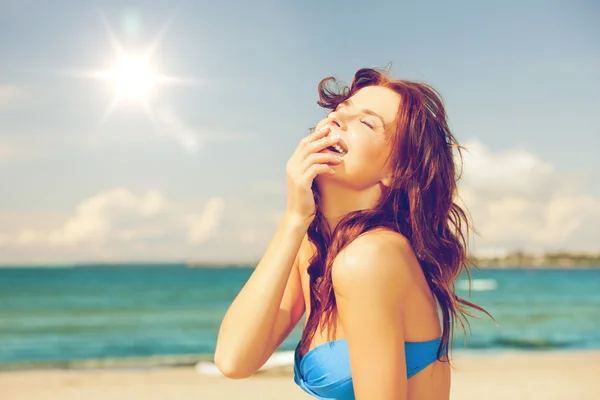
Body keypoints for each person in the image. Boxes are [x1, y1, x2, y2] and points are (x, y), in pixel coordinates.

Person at [214, 67, 489, 399]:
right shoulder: (313, 247)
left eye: (366, 122)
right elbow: (234, 360)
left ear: (398, 171)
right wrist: (293, 219)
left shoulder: (371, 257)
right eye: (338, 111)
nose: (337, 121)